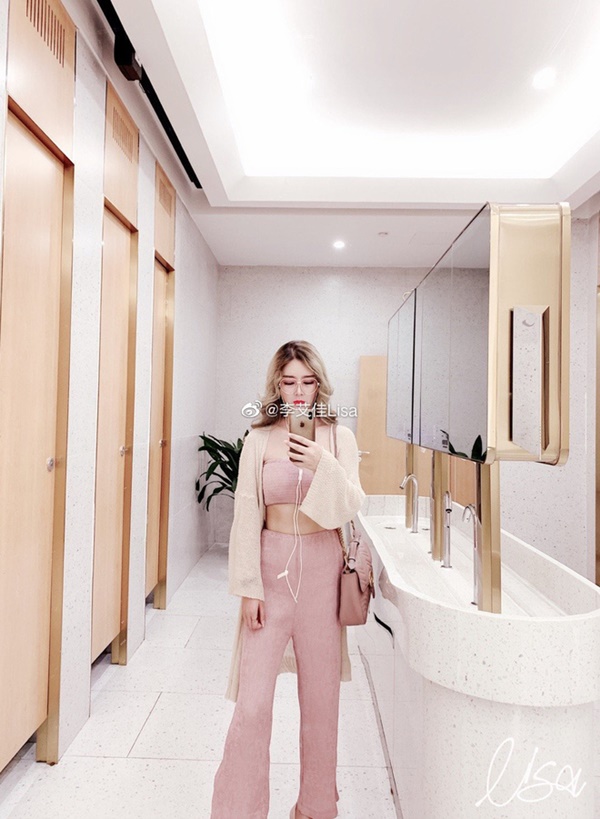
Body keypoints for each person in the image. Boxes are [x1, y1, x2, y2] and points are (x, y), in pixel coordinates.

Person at [210, 340, 365, 819]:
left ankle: (315, 808)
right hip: (270, 572)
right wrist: (248, 588)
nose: (298, 391)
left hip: (322, 573)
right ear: (277, 385)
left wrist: (322, 463)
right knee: (252, 705)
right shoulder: (258, 438)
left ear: (319, 385)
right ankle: (239, 811)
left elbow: (353, 504)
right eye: (289, 381)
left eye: (307, 381)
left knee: (321, 702)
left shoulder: (339, 437)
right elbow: (246, 515)